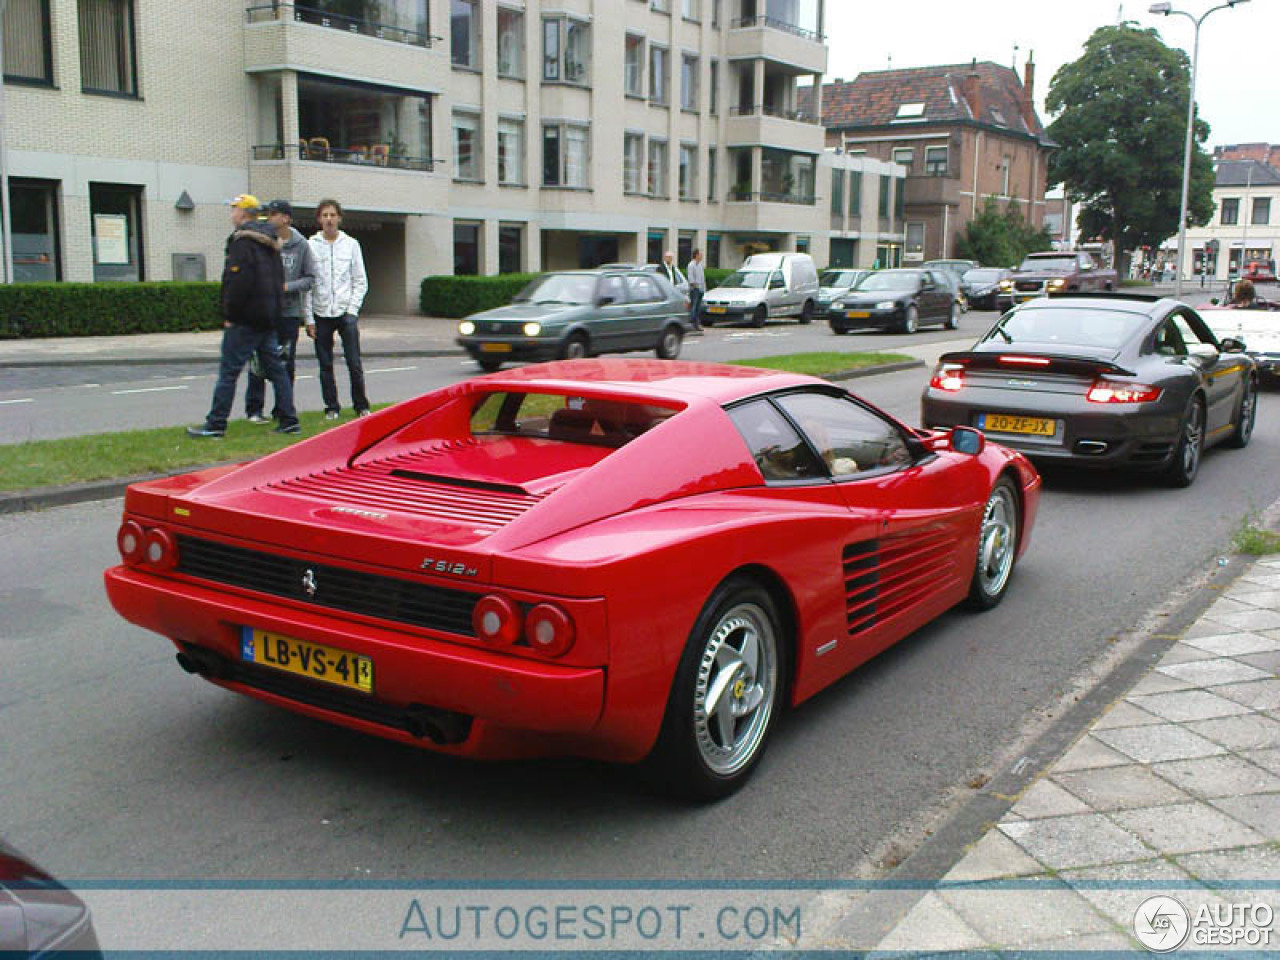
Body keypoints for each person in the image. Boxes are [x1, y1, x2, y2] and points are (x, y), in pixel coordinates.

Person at [186, 195, 299, 438]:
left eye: (234, 209)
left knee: (229, 371)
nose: (231, 214)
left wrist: (230, 314)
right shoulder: (271, 241)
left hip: (246, 319)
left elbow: (237, 282)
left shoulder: (241, 242)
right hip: (267, 317)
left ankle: (216, 424)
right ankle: (289, 420)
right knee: (277, 370)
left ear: (244, 213)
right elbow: (278, 280)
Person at [244, 199, 316, 424]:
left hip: (288, 312)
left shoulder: (300, 244)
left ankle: (282, 409)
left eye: (274, 214)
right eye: (268, 214)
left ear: (285, 218)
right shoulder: (262, 241)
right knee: (257, 361)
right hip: (263, 311)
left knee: (285, 361)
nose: (270, 218)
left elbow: (310, 278)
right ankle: (254, 410)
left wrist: (287, 286)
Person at [308, 198, 370, 419]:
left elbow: (360, 281)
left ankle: (361, 405)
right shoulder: (311, 245)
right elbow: (308, 284)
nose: (329, 219)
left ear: (339, 218)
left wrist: (352, 310)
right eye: (325, 216)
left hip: (345, 313)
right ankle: (332, 407)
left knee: (354, 362)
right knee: (325, 365)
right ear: (319, 219)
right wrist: (309, 319)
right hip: (321, 313)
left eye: (332, 215)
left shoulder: (351, 245)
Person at [686, 248, 705, 331]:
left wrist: (703, 288)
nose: (702, 256)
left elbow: (702, 277)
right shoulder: (691, 265)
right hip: (694, 289)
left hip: (701, 289)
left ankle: (697, 323)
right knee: (693, 307)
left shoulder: (700, 265)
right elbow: (690, 278)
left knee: (698, 307)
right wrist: (695, 285)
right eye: (700, 254)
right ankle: (692, 324)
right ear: (696, 255)